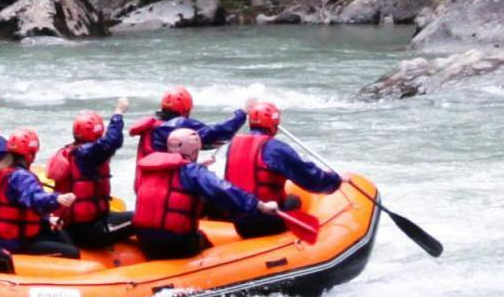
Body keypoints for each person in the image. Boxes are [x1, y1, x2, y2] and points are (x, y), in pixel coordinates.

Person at [130, 126, 289, 258]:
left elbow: (173, 182)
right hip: (176, 245)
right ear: (193, 149)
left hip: (145, 241)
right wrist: (259, 205)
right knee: (203, 239)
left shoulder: (149, 169)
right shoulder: (193, 172)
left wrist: (199, 167)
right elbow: (224, 191)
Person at [217, 99, 342, 222]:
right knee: (294, 201)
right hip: (266, 219)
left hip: (238, 221)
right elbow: (310, 178)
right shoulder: (276, 148)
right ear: (274, 124)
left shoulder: (233, 145)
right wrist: (336, 180)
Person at [0, 130, 76, 262]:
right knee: (72, 252)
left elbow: (19, 203)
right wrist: (57, 198)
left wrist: (46, 220)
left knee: (58, 234)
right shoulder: (21, 176)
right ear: (30, 155)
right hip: (14, 243)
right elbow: (34, 198)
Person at [59, 110, 129, 244]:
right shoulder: (87, 154)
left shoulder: (71, 151)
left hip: (74, 226)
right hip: (90, 230)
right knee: (140, 219)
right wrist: (118, 113)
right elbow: (112, 141)